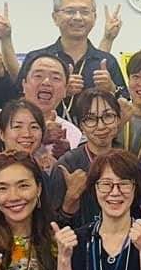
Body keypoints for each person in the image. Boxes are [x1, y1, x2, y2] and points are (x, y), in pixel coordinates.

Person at [29, 0, 127, 95]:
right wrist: (60, 91)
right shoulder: (36, 59)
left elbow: (126, 101)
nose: (78, 17)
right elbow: (20, 100)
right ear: (55, 17)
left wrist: (111, 88)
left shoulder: (107, 61)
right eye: (70, 11)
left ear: (94, 18)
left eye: (85, 12)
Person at [0, 54, 76, 161]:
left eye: (56, 78)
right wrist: (39, 137)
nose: (46, 82)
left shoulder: (72, 132)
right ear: (24, 84)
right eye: (38, 76)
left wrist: (66, 158)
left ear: (65, 90)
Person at [54, 88, 127, 225]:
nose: (101, 126)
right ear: (81, 125)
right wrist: (70, 200)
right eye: (90, 119)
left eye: (108, 116)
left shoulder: (128, 161)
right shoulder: (68, 164)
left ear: (118, 120)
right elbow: (52, 225)